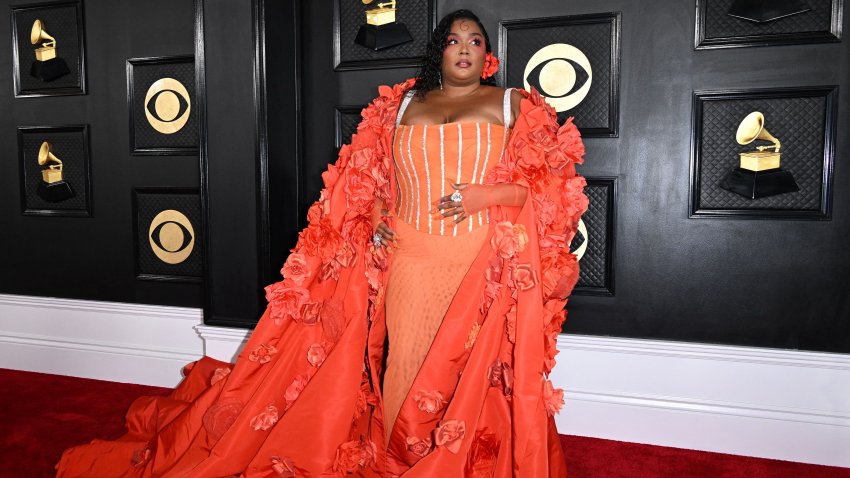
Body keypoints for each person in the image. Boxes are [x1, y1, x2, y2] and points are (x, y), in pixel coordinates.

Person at [55, 9, 587, 478]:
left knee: (468, 368)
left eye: (475, 41)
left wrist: (490, 193)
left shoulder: (513, 106)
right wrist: (377, 212)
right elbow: (374, 179)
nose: (465, 48)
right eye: (454, 40)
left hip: (476, 263)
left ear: (488, 56)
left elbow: (554, 186)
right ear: (438, 51)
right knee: (404, 361)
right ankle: (402, 455)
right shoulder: (399, 107)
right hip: (408, 260)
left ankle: (456, 459)